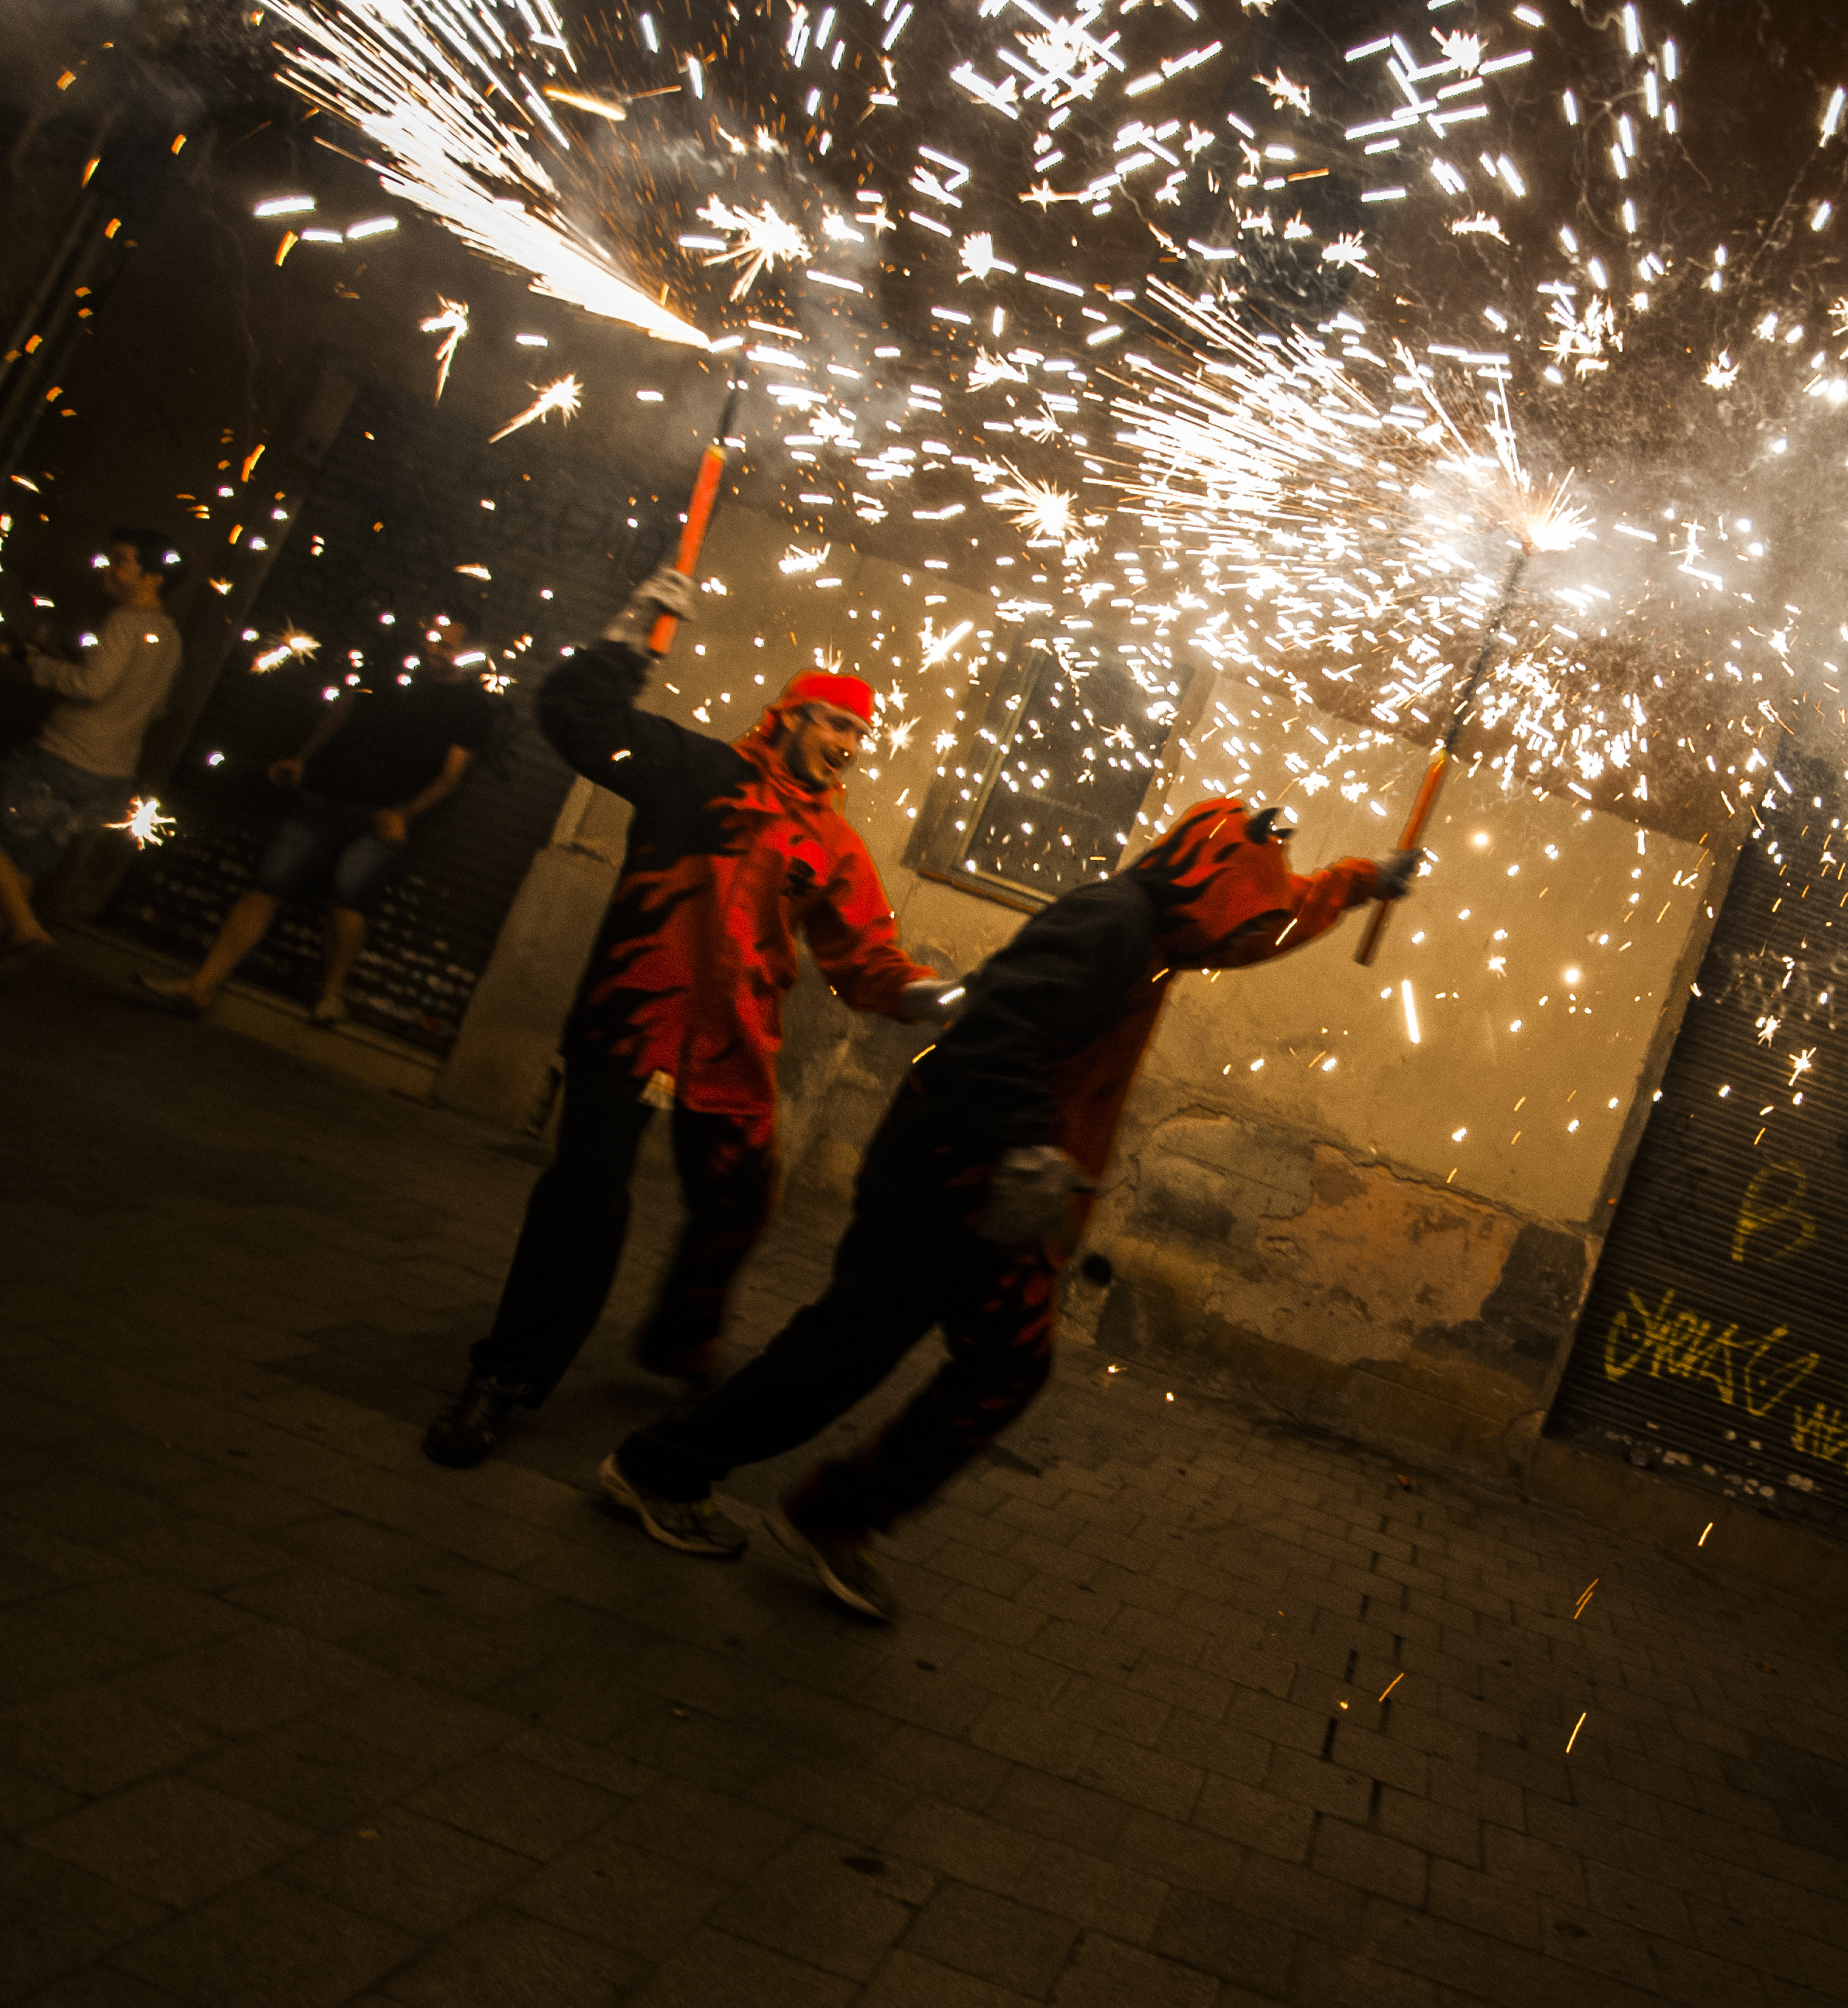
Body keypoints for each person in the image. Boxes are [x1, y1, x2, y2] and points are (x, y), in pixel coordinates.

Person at [596, 798, 1420, 1618]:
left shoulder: (1170, 934)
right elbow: (997, 1026)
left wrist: (1359, 882)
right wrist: (1028, 1144)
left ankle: (835, 1513)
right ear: (1208, 889)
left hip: (1012, 1194)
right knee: (844, 1350)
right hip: (949, 1169)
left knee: (1004, 1368)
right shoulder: (1109, 924)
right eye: (1239, 922)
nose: (1240, 946)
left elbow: (1266, 922)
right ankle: (658, 1469)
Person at [422, 566, 950, 1469]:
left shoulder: (832, 845)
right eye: (836, 723)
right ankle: (504, 1378)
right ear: (790, 716)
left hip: (732, 1050)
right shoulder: (689, 771)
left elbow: (865, 958)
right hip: (628, 1027)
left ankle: (679, 1339)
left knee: (739, 1201)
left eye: (861, 734)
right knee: (584, 1202)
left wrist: (928, 996)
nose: (850, 746)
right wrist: (629, 635)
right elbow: (576, 720)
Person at [139, 610, 492, 1024]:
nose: (434, 651)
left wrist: (405, 814)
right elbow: (340, 712)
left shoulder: (472, 707)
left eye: (446, 647)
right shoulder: (391, 671)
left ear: (467, 653)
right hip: (324, 795)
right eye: (432, 641)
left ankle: (331, 997)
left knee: (348, 903)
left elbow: (451, 776)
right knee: (264, 887)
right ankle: (201, 986)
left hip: (380, 817)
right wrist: (302, 759)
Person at [0, 528, 183, 961]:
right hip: (108, 776)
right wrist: (63, 662)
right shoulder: (170, 636)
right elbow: (153, 705)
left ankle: (27, 930)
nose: (109, 568)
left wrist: (30, 660)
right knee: (22, 858)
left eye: (121, 561)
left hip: (64, 759)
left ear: (153, 578)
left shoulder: (125, 621)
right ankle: (13, 941)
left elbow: (91, 686)